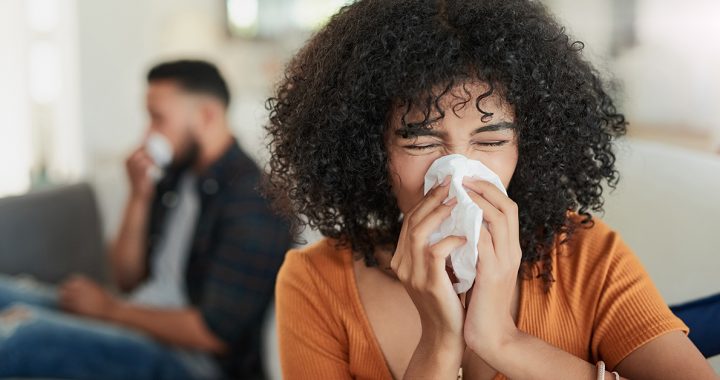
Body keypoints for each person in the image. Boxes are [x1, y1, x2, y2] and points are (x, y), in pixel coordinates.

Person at [263, 1, 717, 379]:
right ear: (369, 148)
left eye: (492, 141)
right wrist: (439, 343)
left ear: (530, 146)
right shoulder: (315, 282)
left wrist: (502, 340)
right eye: (421, 141)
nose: (458, 172)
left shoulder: (587, 257)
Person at [0, 60, 292, 380]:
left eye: (158, 119)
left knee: (20, 341)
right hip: (136, 322)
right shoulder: (176, 178)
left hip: (190, 362)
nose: (148, 133)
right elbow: (126, 279)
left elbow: (214, 334)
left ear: (207, 115)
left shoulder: (255, 200)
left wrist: (109, 311)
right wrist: (138, 196)